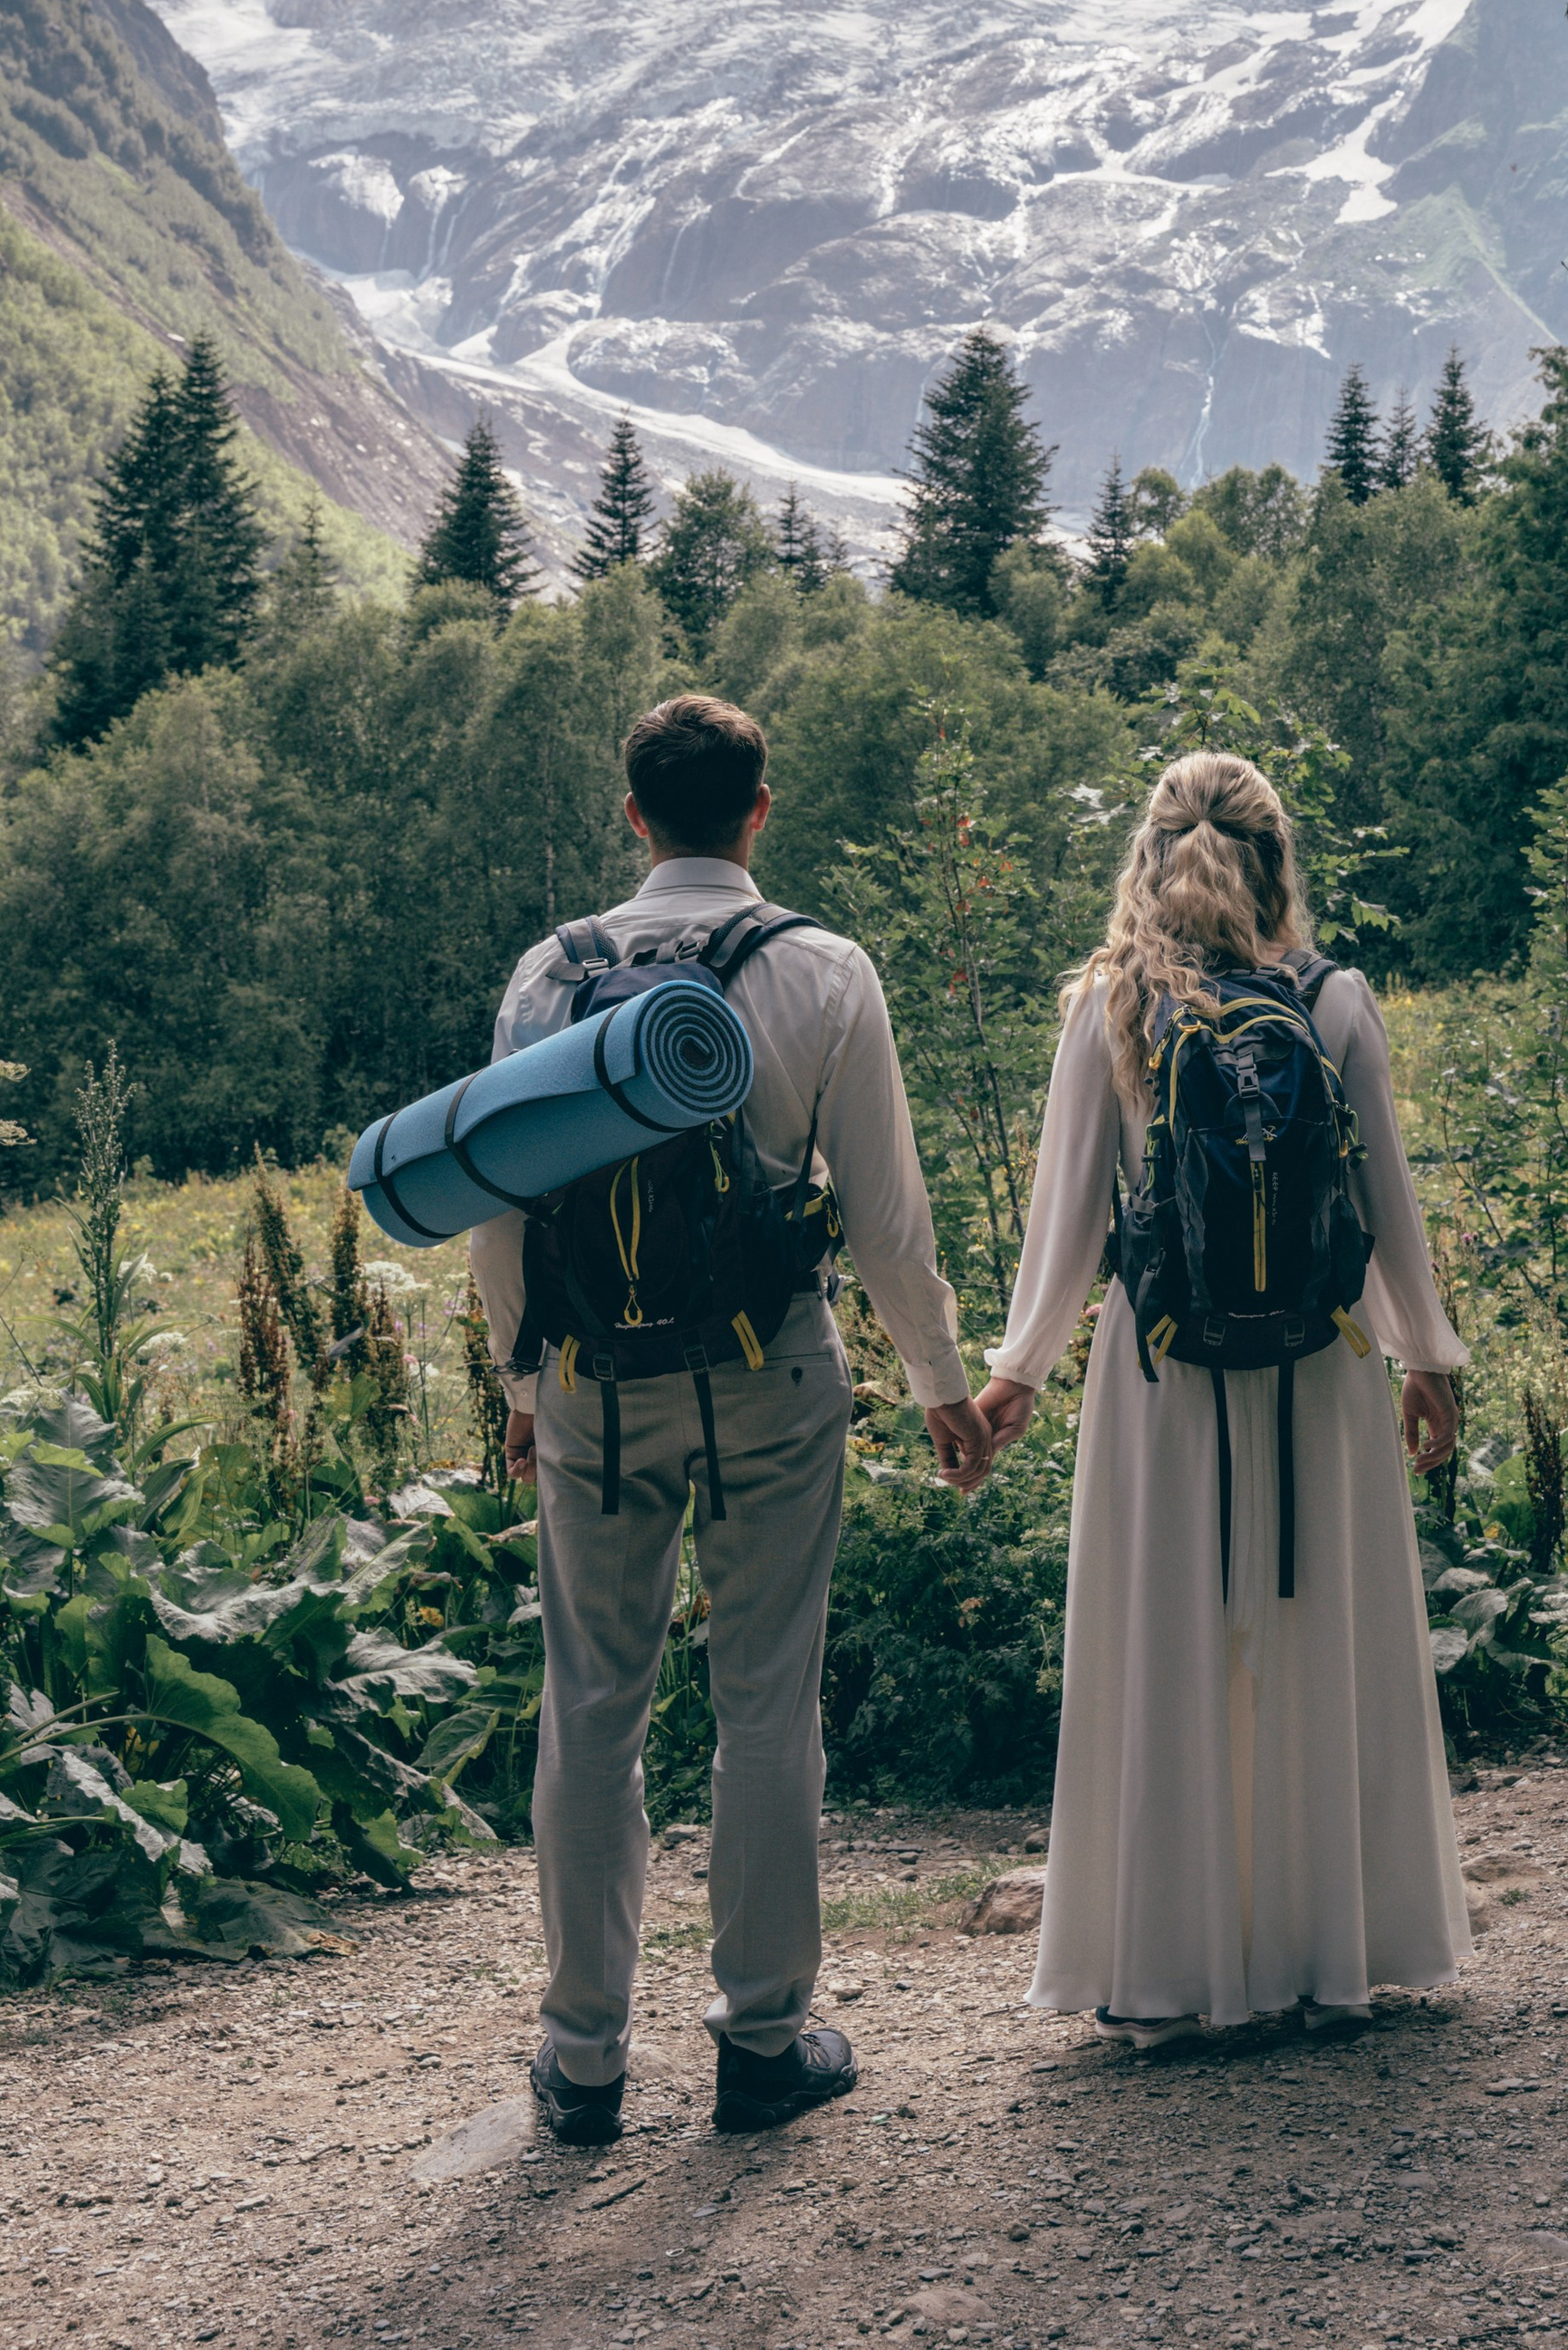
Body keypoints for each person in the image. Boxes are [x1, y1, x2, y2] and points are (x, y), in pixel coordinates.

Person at [469, 690, 991, 2143]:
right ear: (762, 809)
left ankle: (581, 2063)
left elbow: (502, 1212)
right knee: (766, 1697)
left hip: (592, 1390)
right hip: (772, 1373)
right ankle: (762, 2043)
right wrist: (941, 1386)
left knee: (591, 1706)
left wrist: (524, 1385)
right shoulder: (821, 969)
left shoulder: (543, 979)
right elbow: (886, 1219)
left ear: (633, 817)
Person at [972, 750, 1469, 2041]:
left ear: (1146, 859)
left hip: (1165, 1367)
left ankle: (1177, 1976)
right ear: (1277, 863)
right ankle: (1326, 1955)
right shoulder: (1334, 1000)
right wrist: (1428, 1358)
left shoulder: (1113, 1008)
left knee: (1173, 1648)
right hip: (1324, 1361)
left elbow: (1068, 1219)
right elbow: (1384, 1210)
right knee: (1317, 1643)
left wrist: (1016, 1371)